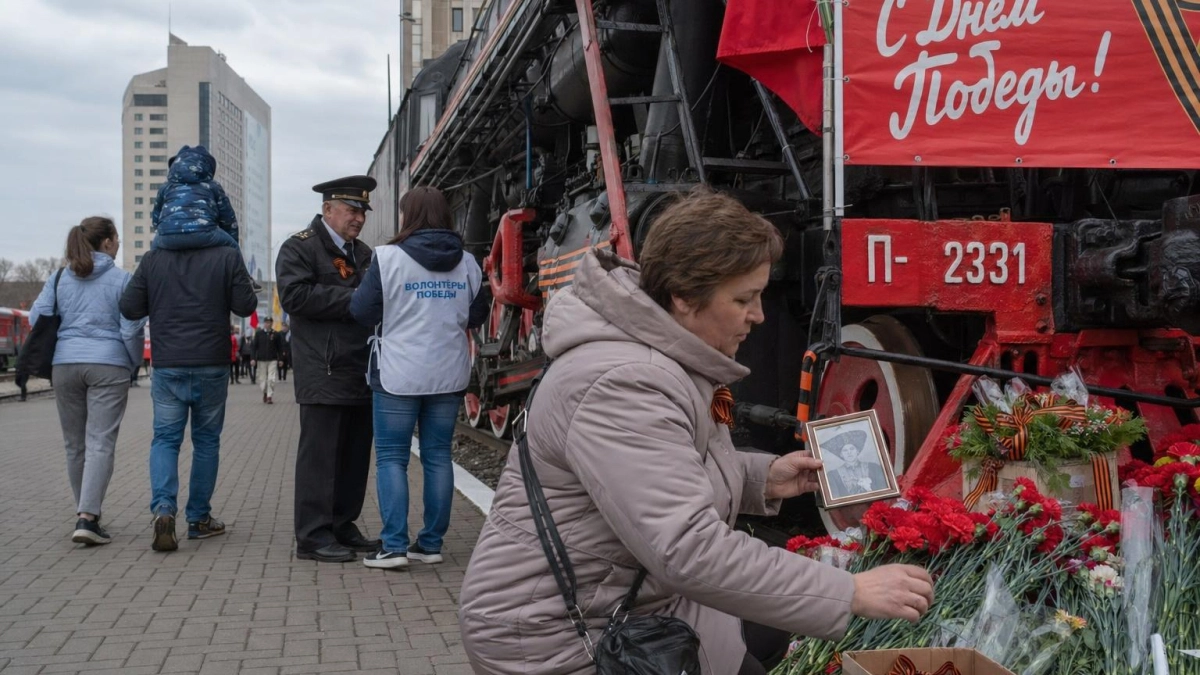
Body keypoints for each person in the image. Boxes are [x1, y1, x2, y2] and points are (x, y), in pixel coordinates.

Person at [458, 189, 934, 675]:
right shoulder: (622, 384)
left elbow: (668, 469)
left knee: (768, 636)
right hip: (551, 632)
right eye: (743, 299)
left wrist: (764, 478)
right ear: (684, 297)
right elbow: (687, 547)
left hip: (625, 599)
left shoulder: (656, 356)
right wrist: (850, 592)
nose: (759, 315)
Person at [349, 187, 490, 569]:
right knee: (438, 455)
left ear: (407, 216)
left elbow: (361, 311)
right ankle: (430, 545)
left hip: (399, 371)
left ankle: (394, 546)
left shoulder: (387, 258)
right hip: (448, 372)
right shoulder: (467, 263)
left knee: (391, 458)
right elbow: (478, 314)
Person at [120, 220, 258, 552]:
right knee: (206, 442)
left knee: (165, 439)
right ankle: (198, 518)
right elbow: (246, 306)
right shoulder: (226, 254)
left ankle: (164, 509)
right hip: (211, 361)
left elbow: (129, 307)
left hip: (169, 363)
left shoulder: (153, 258)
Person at [277, 175, 381, 563]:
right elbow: (295, 296)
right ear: (328, 209)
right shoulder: (299, 248)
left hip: (360, 367)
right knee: (320, 457)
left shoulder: (364, 253)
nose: (359, 219)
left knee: (354, 456)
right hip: (323, 368)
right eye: (352, 210)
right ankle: (312, 535)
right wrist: (355, 299)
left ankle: (342, 524)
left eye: (363, 212)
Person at [29, 217, 145, 546]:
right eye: (117, 238)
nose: (119, 243)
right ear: (106, 242)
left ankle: (86, 513)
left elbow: (37, 317)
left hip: (65, 365)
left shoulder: (59, 278)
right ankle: (88, 517)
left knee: (74, 445)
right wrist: (133, 362)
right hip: (108, 365)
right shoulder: (123, 280)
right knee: (100, 443)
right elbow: (131, 329)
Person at [151, 145, 239, 252]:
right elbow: (229, 220)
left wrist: (165, 231)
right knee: (233, 248)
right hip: (204, 234)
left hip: (168, 237)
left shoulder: (166, 187)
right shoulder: (213, 186)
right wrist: (232, 240)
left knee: (152, 254)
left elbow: (155, 218)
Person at [824, 430, 887, 498]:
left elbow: (884, 490)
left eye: (852, 449)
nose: (849, 452)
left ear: (857, 451)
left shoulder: (874, 468)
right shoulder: (833, 475)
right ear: (841, 454)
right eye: (845, 450)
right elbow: (835, 498)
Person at [252, 317, 281, 403]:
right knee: (263, 379)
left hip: (272, 359)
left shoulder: (276, 334)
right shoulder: (259, 333)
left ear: (272, 323)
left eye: (269, 322)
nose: (268, 324)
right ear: (264, 323)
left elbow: (280, 348)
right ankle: (265, 392)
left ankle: (269, 396)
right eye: (266, 322)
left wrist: (281, 359)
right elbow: (254, 347)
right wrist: (253, 358)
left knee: (271, 378)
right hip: (261, 360)